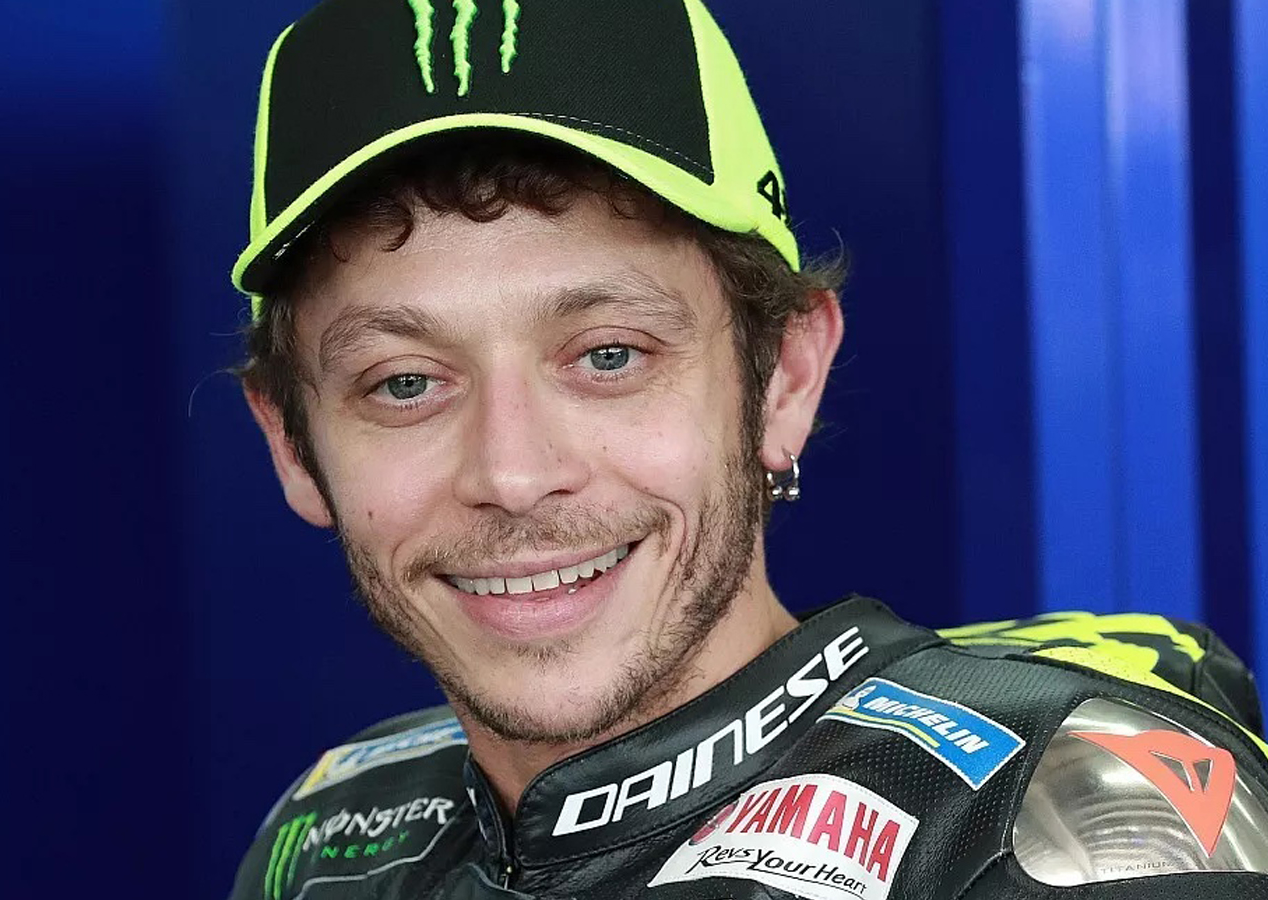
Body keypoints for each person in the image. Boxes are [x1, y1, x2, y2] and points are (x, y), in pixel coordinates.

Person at [224, 0, 1268, 897]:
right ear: (292, 443)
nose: (513, 473)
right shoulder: (329, 838)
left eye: (609, 355)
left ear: (784, 380)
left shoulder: (1052, 821)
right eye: (404, 383)